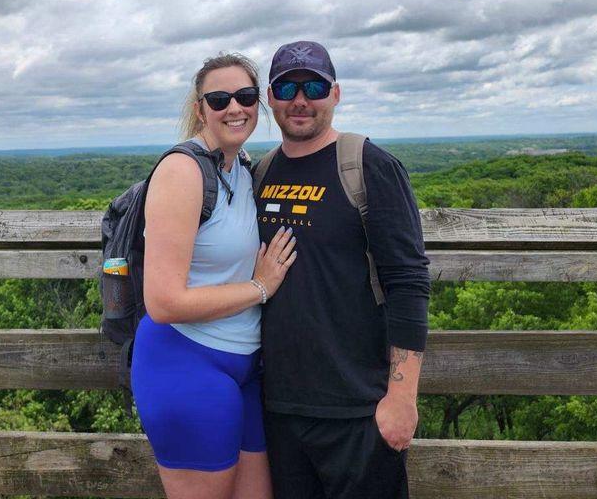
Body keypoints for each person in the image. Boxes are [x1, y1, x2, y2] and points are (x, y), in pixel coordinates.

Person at [255, 41, 431, 499]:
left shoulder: (368, 165)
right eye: (287, 88)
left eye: (313, 87)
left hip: (359, 409)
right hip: (280, 409)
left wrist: (402, 399)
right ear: (270, 98)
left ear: (335, 94)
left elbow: (408, 282)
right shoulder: (261, 174)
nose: (300, 100)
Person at [131, 52, 297, 499]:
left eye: (245, 96)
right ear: (200, 109)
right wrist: (260, 287)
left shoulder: (240, 168)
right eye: (219, 99)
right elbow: (163, 302)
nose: (234, 108)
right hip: (186, 364)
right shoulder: (182, 171)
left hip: (244, 368)